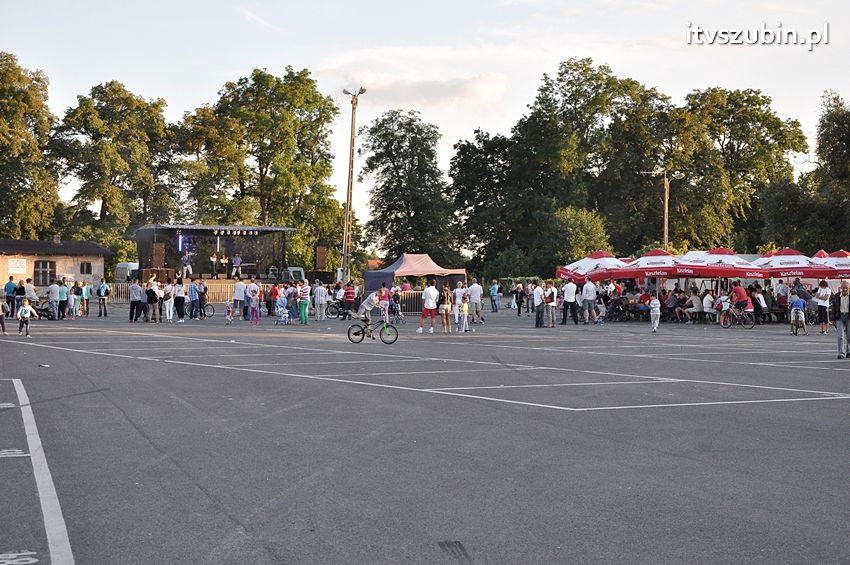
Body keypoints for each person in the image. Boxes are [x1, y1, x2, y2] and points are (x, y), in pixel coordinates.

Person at [830, 281, 850, 357]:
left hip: (848, 316)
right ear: (841, 288)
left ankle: (849, 351)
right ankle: (841, 353)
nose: (845, 289)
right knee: (840, 336)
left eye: (846, 288)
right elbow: (833, 308)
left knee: (849, 336)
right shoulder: (837, 296)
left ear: (849, 288)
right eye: (843, 288)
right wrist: (833, 319)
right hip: (839, 316)